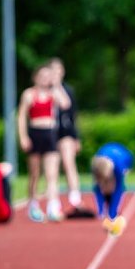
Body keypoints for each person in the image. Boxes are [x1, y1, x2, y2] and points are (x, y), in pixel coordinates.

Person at [17, 63, 71, 223]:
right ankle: (33, 205)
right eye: (42, 76)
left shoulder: (54, 93)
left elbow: (65, 104)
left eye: (48, 77)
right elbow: (21, 117)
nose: (45, 79)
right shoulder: (29, 94)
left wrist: (57, 84)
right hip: (35, 133)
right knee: (34, 173)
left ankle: (52, 207)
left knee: (52, 174)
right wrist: (23, 137)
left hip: (50, 134)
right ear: (35, 78)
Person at [49, 58, 83, 209]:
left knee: (69, 163)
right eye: (53, 70)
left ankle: (74, 196)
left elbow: (72, 112)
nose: (56, 73)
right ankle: (53, 199)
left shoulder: (68, 90)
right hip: (49, 132)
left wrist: (76, 137)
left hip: (66, 131)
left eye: (58, 70)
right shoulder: (43, 89)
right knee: (53, 167)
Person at [92, 142, 135, 235]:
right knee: (104, 187)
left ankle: (112, 210)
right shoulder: (96, 165)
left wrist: (112, 214)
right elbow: (97, 187)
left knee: (114, 189)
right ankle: (106, 206)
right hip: (106, 158)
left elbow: (119, 189)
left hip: (125, 158)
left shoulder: (119, 167)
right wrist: (101, 212)